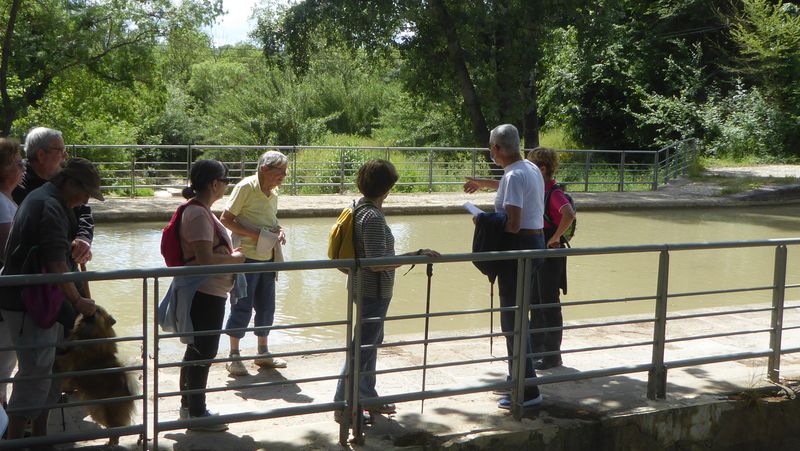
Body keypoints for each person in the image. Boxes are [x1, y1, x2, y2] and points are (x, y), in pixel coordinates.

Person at [0, 157, 101, 441]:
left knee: (53, 367)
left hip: (40, 299)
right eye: (84, 193)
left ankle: (40, 437)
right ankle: (16, 441)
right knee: (36, 372)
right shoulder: (51, 205)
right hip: (30, 302)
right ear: (70, 183)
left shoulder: (46, 198)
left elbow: (52, 252)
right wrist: (78, 301)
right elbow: (57, 264)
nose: (84, 201)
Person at [333, 159, 440, 422]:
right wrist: (415, 254)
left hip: (362, 286)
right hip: (373, 290)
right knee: (363, 348)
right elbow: (378, 262)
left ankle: (367, 396)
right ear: (387, 187)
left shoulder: (358, 207)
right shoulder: (372, 216)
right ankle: (343, 404)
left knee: (369, 344)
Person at [463, 124, 544, 409]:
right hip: (535, 246)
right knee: (520, 318)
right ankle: (520, 379)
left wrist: (481, 219)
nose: (490, 152)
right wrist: (485, 184)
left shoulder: (513, 175)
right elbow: (513, 188)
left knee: (512, 322)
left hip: (517, 252)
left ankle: (527, 391)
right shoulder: (530, 168)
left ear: (497, 149)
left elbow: (512, 224)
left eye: (490, 147)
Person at [166, 160, 245, 432]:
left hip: (207, 290)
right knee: (204, 350)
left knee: (197, 349)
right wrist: (235, 260)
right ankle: (197, 413)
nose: (226, 185)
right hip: (205, 291)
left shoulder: (200, 211)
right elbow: (203, 258)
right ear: (214, 184)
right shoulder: (199, 214)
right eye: (225, 180)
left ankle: (189, 407)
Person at [221, 151, 289, 376]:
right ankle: (234, 356)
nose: (284, 176)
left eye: (285, 172)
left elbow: (271, 221)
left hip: (268, 257)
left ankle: (262, 353)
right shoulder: (246, 187)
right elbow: (226, 219)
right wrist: (255, 235)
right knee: (241, 305)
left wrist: (279, 231)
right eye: (280, 172)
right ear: (264, 169)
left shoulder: (274, 192)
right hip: (246, 257)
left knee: (266, 306)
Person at [13, 127, 94, 266]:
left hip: (64, 263)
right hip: (38, 271)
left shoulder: (62, 179)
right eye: (61, 151)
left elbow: (83, 211)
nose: (66, 156)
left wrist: (83, 238)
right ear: (41, 155)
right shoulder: (18, 185)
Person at [527, 147, 574, 370]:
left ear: (542, 169)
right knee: (535, 301)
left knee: (548, 303)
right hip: (540, 247)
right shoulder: (538, 188)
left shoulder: (553, 192)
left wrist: (555, 237)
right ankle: (535, 349)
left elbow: (568, 214)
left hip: (550, 251)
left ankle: (552, 355)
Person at [0, 138, 24, 408]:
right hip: (5, 295)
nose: (22, 169)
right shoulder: (1, 203)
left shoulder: (7, 199)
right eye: (18, 163)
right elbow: (9, 252)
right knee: (3, 363)